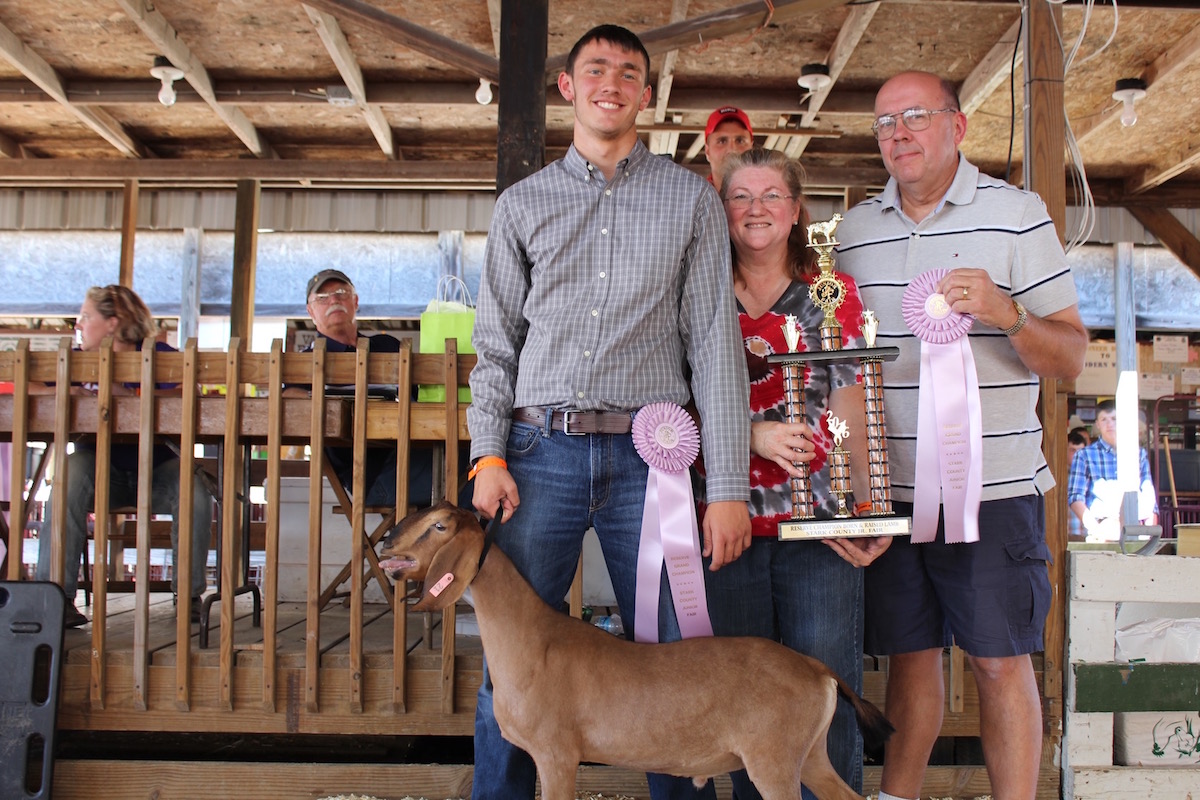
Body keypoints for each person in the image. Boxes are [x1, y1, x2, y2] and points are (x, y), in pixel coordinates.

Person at [466, 24, 751, 800]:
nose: (612, 83)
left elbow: (714, 346)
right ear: (568, 86)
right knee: (513, 668)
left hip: (649, 461)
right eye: (596, 69)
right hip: (537, 457)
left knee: (674, 664)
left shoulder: (691, 200)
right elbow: (495, 346)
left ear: (646, 95)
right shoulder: (522, 205)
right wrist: (488, 454)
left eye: (629, 72)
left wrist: (728, 487)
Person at [835, 71, 1087, 800]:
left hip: (993, 489)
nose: (898, 134)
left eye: (915, 116)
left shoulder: (1018, 214)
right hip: (890, 493)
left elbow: (1070, 356)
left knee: (999, 663)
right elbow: (839, 365)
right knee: (909, 661)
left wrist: (1008, 313)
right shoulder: (852, 232)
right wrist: (850, 491)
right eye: (884, 123)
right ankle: (896, 797)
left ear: (958, 125)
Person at [696, 146, 890, 798]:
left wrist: (868, 503)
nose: (756, 209)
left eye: (771, 195)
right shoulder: (697, 289)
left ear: (797, 209)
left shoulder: (830, 293)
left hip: (818, 530)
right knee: (742, 708)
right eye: (741, 197)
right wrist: (749, 432)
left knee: (825, 692)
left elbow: (851, 400)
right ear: (722, 209)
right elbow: (670, 404)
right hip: (726, 525)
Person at [35, 285, 214, 628]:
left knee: (192, 487)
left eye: (86, 316)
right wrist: (68, 391)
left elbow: (187, 393)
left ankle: (188, 595)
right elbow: (27, 387)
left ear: (113, 322)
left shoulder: (159, 355)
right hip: (97, 469)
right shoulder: (74, 359)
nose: (78, 323)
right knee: (70, 473)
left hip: (157, 468)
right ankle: (54, 598)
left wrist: (127, 396)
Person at [286, 268, 434, 508]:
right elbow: (288, 399)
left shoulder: (387, 346)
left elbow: (423, 398)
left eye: (341, 292)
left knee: (475, 460)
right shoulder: (305, 363)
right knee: (472, 471)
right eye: (322, 298)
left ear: (355, 301)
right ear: (310, 311)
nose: (334, 300)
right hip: (373, 478)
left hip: (418, 453)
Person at [1067, 399, 1158, 543]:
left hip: (1136, 528)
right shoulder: (1084, 455)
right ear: (1097, 424)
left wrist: (1149, 531)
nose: (1109, 424)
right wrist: (1096, 530)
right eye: (1104, 419)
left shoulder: (1138, 453)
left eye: (1114, 418)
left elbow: (1148, 493)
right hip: (1101, 527)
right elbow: (1075, 497)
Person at [704, 105, 754, 191]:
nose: (732, 149)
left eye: (740, 141)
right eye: (722, 141)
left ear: (752, 148)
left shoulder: (772, 195)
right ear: (707, 151)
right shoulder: (693, 197)